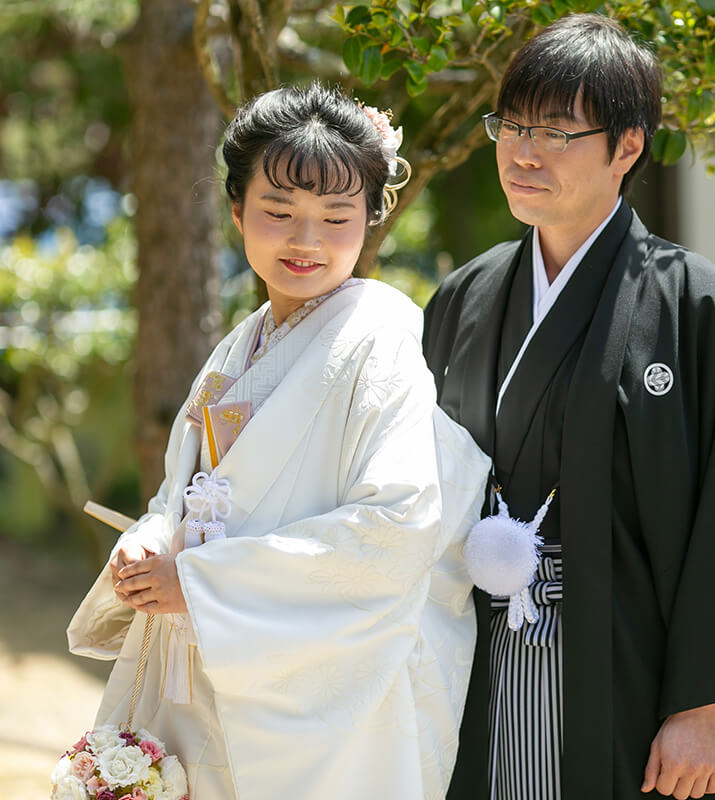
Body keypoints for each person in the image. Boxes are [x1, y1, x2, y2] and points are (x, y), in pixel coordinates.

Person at [422, 13, 715, 800]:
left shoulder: (695, 305)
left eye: (557, 132)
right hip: (473, 651)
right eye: (511, 125)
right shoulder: (463, 297)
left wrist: (702, 705)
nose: (524, 152)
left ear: (629, 146)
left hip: (630, 661)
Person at [66, 84, 490, 798]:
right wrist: (155, 534)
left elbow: (396, 528)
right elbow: (190, 491)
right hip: (213, 669)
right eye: (278, 212)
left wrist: (200, 585)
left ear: (371, 219)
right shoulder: (240, 344)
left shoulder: (381, 337)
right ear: (237, 212)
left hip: (319, 697)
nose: (306, 241)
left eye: (335, 217)